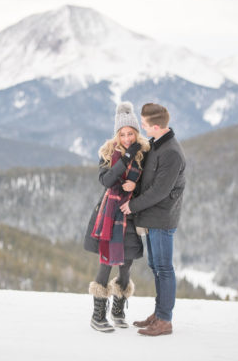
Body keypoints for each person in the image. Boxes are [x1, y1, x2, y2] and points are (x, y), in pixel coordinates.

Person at [120, 103, 186, 337]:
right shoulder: (158, 146)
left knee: (164, 269)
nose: (142, 127)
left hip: (162, 218)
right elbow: (150, 180)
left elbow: (159, 191)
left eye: (145, 124)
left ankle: (165, 320)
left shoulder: (171, 153)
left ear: (156, 126)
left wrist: (132, 205)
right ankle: (158, 314)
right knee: (155, 267)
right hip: (152, 216)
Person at [84, 101, 150, 333]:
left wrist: (136, 185)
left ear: (136, 133)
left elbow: (148, 186)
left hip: (130, 216)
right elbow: (106, 181)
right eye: (122, 134)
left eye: (130, 133)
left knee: (126, 265)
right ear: (117, 135)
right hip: (109, 216)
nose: (127, 138)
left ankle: (118, 311)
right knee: (106, 264)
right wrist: (125, 158)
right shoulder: (107, 153)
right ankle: (97, 315)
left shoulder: (144, 155)